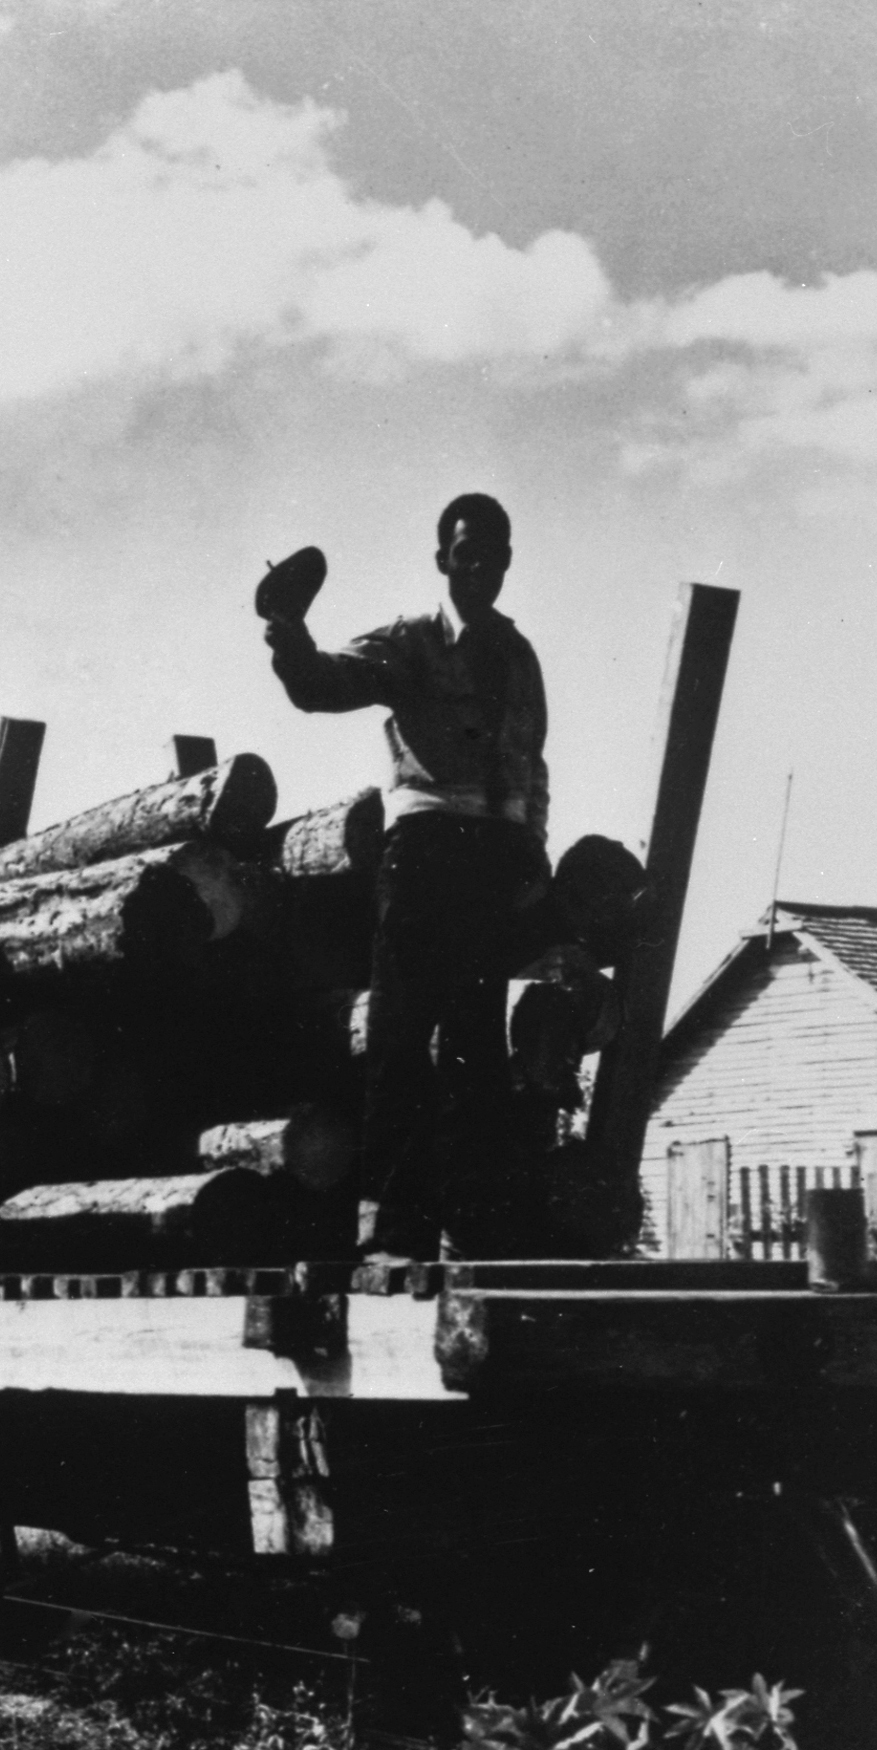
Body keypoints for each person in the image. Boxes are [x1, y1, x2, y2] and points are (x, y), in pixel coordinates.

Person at [260, 493, 550, 1260]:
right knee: (397, 1036)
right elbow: (322, 684)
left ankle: (470, 1224)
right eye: (466, 553)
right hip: (424, 853)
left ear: (507, 562)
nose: (480, 566)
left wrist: (535, 849)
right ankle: (391, 1224)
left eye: (494, 553)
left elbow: (533, 760)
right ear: (442, 561)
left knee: (476, 1047)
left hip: (494, 858)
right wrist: (287, 631)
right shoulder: (413, 641)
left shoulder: (519, 656)